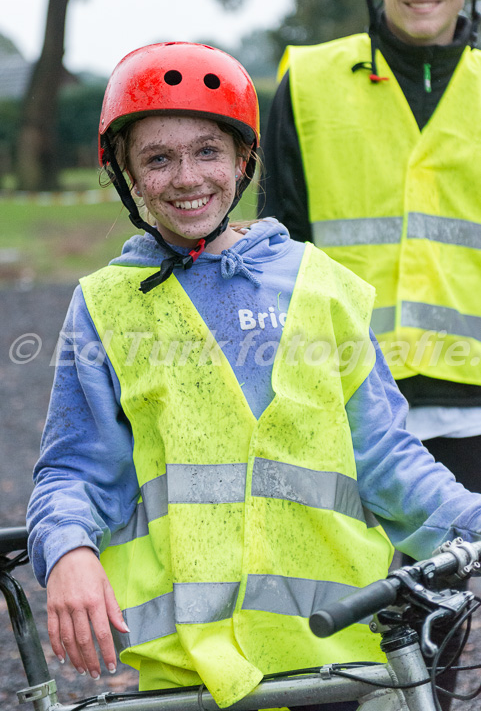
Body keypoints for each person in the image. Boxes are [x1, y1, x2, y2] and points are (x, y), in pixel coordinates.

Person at [27, 42, 481, 711]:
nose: (186, 177)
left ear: (242, 161)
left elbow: (384, 457)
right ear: (125, 174)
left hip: (341, 657)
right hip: (189, 670)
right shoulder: (105, 305)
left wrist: (469, 525)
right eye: (157, 158)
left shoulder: (324, 290)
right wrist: (66, 550)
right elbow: (74, 469)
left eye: (207, 151)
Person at [259, 0, 481, 498]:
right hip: (344, 389)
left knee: (452, 571)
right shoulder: (310, 82)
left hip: (473, 403)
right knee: (354, 578)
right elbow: (277, 240)